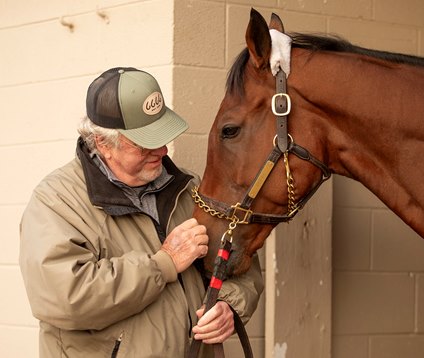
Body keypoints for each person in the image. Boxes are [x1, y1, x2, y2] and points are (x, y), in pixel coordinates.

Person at [19, 67, 264, 357]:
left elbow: (239, 259)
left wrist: (230, 305)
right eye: (145, 143)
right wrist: (164, 263)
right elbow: (67, 298)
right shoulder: (56, 202)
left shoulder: (190, 188)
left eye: (162, 136)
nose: (161, 150)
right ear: (102, 143)